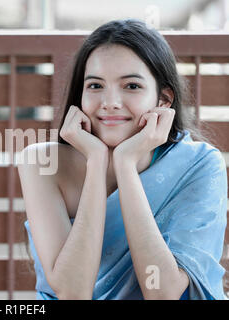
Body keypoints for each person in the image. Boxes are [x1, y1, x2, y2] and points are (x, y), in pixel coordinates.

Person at [17, 19, 228, 300]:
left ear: (163, 100)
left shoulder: (199, 165)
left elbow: (162, 293)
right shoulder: (43, 162)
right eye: (95, 85)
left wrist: (126, 165)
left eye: (131, 86)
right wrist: (96, 161)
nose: (110, 101)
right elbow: (72, 292)